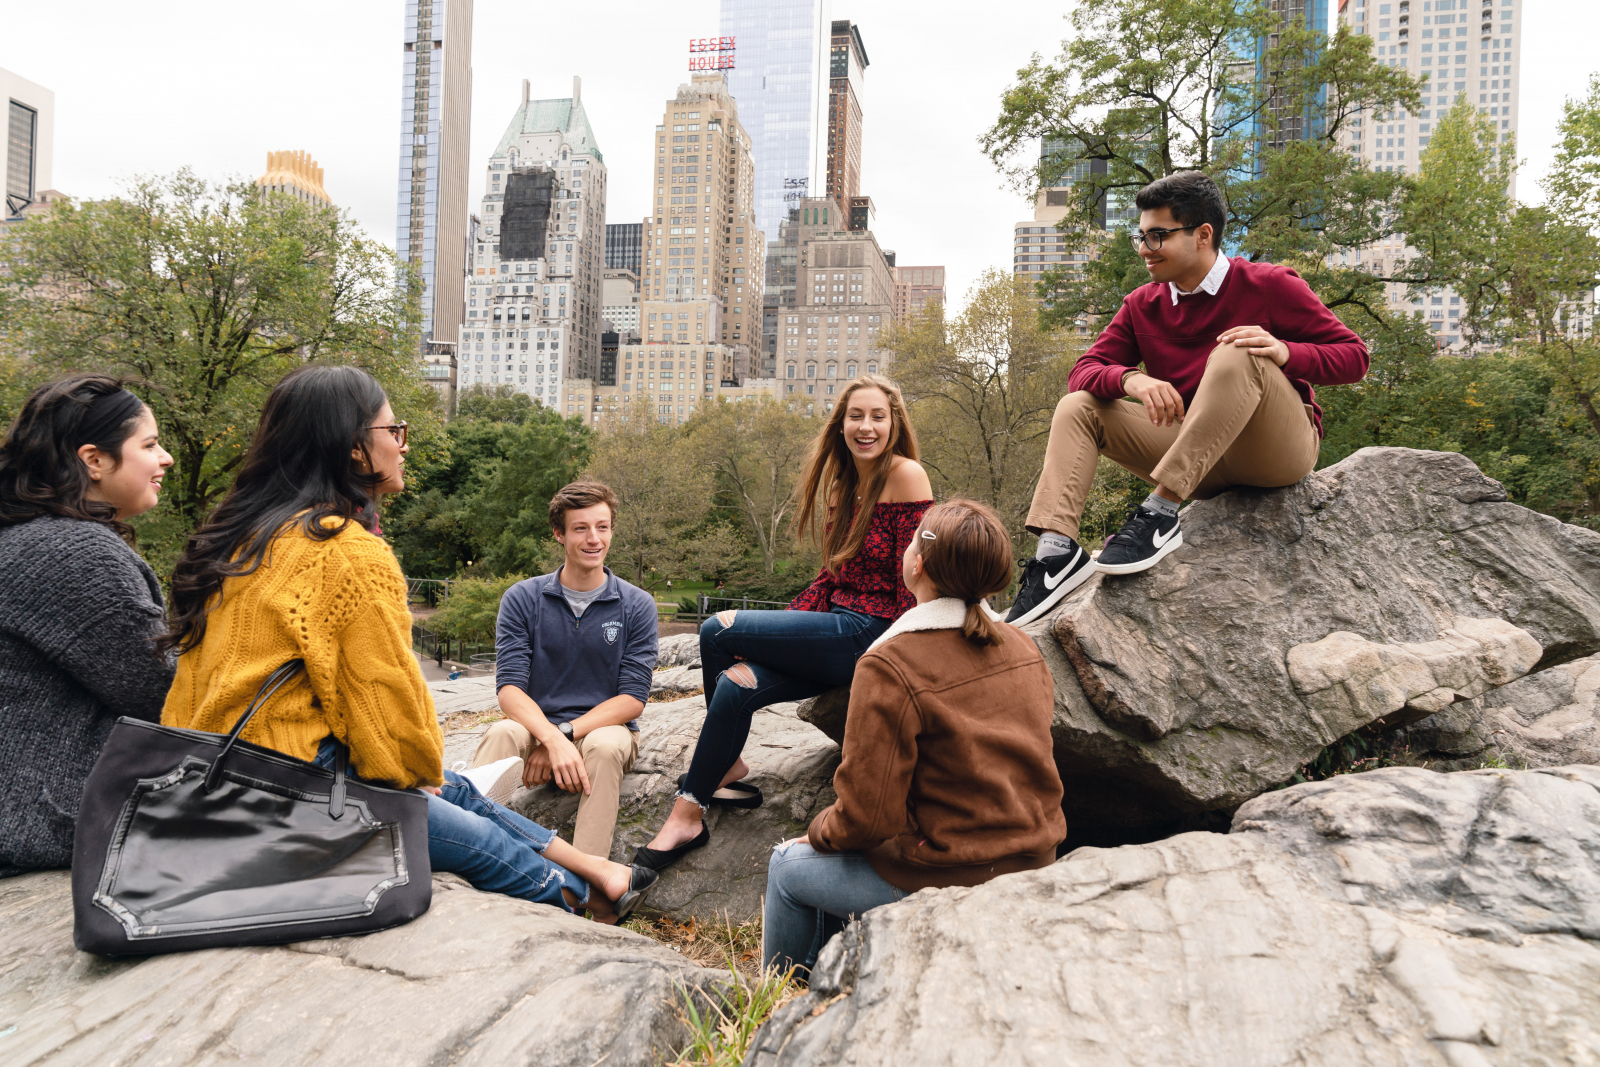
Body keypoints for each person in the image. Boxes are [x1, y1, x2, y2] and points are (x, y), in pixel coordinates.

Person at [159, 365, 655, 921]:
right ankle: (583, 903)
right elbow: (392, 719)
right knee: (483, 844)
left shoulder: (243, 539)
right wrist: (417, 776)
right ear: (353, 450)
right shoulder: (347, 551)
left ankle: (601, 868)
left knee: (456, 790)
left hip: (212, 776)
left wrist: (424, 774)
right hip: (296, 788)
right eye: (394, 431)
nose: (404, 445)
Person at [1006, 171, 1370, 626]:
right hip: (1200, 457)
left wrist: (1284, 351)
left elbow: (1355, 357)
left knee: (1237, 351)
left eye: (1158, 235)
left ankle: (1160, 512)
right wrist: (1130, 381)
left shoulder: (1270, 284)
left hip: (1276, 453)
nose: (1143, 248)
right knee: (1079, 406)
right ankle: (1056, 554)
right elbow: (1082, 370)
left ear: (1203, 235)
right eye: (1140, 236)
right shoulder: (1142, 304)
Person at [636, 375, 934, 870]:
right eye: (855, 416)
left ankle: (705, 787)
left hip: (873, 634)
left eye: (877, 416)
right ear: (839, 425)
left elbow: (916, 575)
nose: (866, 427)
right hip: (837, 628)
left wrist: (901, 657)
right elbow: (831, 576)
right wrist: (784, 629)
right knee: (734, 686)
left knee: (718, 630)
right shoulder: (842, 486)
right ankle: (696, 806)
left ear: (894, 423)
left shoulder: (907, 475)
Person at [763, 499, 1067, 976]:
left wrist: (820, 832)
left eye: (911, 540)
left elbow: (868, 820)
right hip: (1034, 861)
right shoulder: (1023, 645)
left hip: (950, 875)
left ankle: (780, 1007)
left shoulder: (890, 664)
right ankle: (833, 978)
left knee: (787, 865)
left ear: (917, 564)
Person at [0, 376, 176, 878]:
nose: (164, 458)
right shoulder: (74, 554)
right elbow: (167, 694)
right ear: (94, 460)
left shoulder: (27, 537)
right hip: (41, 823)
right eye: (149, 445)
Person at [463, 480, 658, 859]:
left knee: (604, 747)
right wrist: (549, 739)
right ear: (559, 533)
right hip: (535, 729)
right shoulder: (523, 598)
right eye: (580, 528)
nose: (594, 539)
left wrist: (564, 735)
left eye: (602, 527)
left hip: (603, 729)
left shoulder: (637, 605)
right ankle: (472, 853)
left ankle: (585, 883)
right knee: (502, 732)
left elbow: (632, 699)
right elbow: (510, 690)